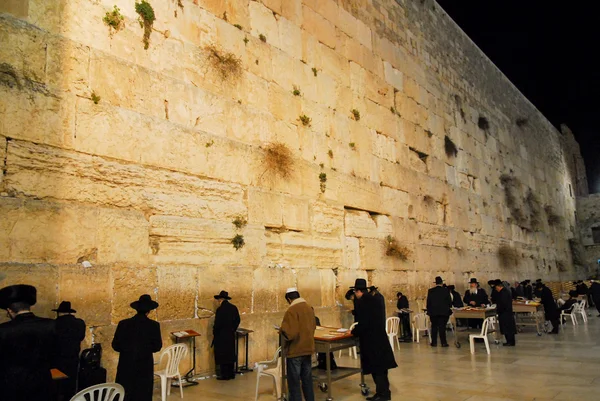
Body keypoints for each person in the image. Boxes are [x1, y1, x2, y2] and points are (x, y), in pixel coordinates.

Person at [0, 284, 57, 401]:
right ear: (29, 307)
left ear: (10, 310)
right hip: (43, 384)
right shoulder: (51, 325)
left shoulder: (3, 330)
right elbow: (56, 354)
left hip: (12, 387)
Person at [351, 279, 397, 401]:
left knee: (377, 369)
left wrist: (354, 332)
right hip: (380, 338)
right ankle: (383, 392)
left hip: (371, 341)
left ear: (359, 291)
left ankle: (383, 394)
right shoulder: (376, 299)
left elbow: (363, 323)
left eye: (355, 292)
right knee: (382, 369)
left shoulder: (363, 302)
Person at [112, 294, 162, 401]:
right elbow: (157, 347)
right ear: (149, 311)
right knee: (143, 393)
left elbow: (115, 345)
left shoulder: (123, 324)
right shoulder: (154, 325)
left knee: (125, 392)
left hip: (125, 364)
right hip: (144, 365)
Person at [280, 288, 316, 401]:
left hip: (296, 350)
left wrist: (281, 331)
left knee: (294, 383)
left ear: (289, 299)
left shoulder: (291, 310)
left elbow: (290, 333)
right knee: (307, 380)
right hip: (308, 348)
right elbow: (314, 326)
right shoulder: (309, 308)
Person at [53, 301, 86, 399]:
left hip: (57, 360)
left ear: (59, 312)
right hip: (73, 358)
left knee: (57, 387)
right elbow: (81, 337)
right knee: (70, 387)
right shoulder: (79, 323)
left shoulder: (54, 324)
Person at [212, 290, 240, 380]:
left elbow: (217, 324)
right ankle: (231, 373)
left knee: (223, 355)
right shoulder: (233, 308)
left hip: (221, 336)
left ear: (220, 299)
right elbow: (238, 320)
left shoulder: (220, 310)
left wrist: (215, 332)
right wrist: (233, 329)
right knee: (230, 354)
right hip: (230, 334)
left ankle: (225, 375)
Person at [426, 276, 452, 348]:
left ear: (436, 283)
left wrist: (429, 310)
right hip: (443, 312)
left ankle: (434, 342)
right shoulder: (446, 291)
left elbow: (428, 302)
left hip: (433, 312)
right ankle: (443, 342)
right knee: (442, 327)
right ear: (442, 283)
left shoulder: (430, 291)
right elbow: (449, 302)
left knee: (434, 327)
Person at [493, 280, 516, 346]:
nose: (496, 289)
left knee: (507, 328)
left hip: (505, 313)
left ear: (498, 287)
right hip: (507, 312)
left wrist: (498, 310)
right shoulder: (505, 291)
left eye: (496, 287)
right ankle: (510, 341)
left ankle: (510, 342)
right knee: (508, 328)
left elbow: (503, 304)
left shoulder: (503, 293)